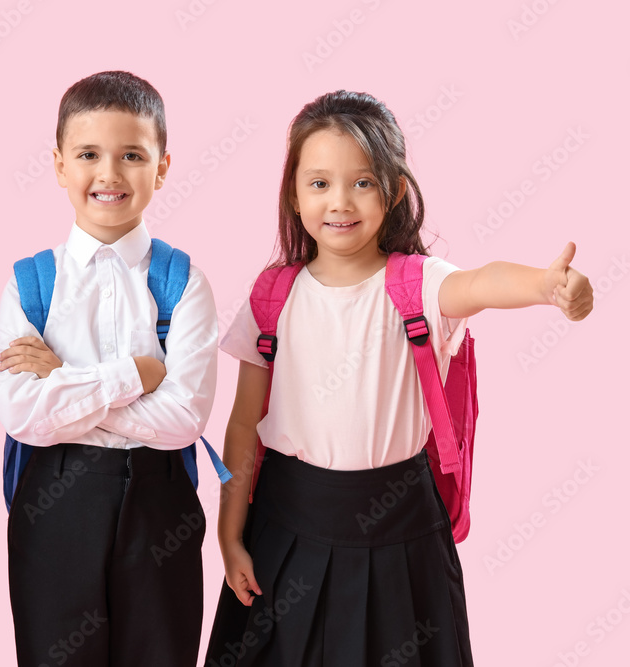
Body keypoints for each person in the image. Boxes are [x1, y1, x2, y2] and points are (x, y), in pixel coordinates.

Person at [205, 90, 593, 666]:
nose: (340, 201)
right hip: (286, 527)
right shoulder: (272, 297)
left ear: (395, 190)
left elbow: (482, 282)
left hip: (402, 528)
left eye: (362, 182)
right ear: (293, 193)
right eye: (319, 183)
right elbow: (242, 426)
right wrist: (230, 536)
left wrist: (545, 285)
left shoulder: (421, 285)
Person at [0, 70, 218, 666]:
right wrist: (135, 376)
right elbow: (21, 415)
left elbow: (182, 421)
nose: (109, 173)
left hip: (160, 503)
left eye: (132, 155)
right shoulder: (30, 284)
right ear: (61, 165)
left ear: (162, 167)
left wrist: (62, 378)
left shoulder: (184, 283)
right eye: (88, 154)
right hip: (55, 501)